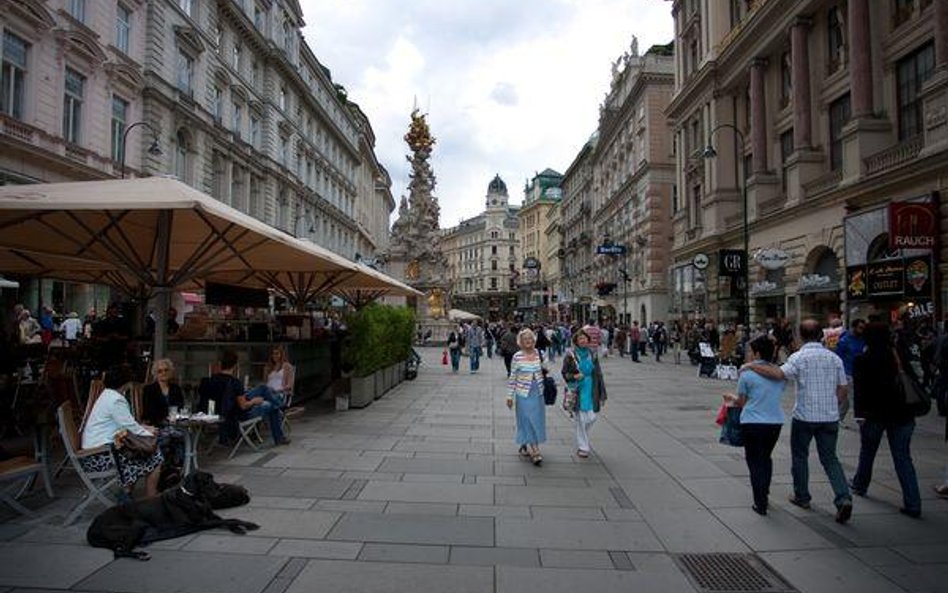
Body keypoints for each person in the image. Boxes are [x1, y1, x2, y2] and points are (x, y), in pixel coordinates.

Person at [742, 319, 853, 523]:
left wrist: (751, 365)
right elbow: (843, 389)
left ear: (799, 336)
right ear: (821, 335)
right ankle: (843, 498)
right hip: (829, 417)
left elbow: (777, 373)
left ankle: (802, 496)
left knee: (800, 456)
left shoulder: (799, 357)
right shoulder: (834, 358)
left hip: (805, 416)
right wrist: (833, 406)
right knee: (830, 459)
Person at [850, 322, 922, 518]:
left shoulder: (863, 359)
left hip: (875, 414)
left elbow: (859, 391)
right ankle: (913, 502)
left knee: (867, 452)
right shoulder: (898, 356)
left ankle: (860, 484)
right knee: (903, 458)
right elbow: (914, 377)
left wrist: (859, 414)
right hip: (903, 414)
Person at [724, 336, 786, 515]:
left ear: (757, 353)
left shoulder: (747, 374)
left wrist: (730, 398)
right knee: (766, 458)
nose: (748, 354)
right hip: (775, 421)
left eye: (750, 351)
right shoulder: (779, 373)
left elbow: (742, 402)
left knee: (754, 461)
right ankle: (764, 491)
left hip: (752, 421)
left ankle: (760, 502)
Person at [81, 366, 163, 499]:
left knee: (138, 451)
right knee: (155, 456)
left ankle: (127, 492)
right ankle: (151, 497)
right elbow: (130, 426)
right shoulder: (116, 400)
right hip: (99, 456)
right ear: (127, 383)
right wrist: (149, 432)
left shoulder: (107, 395)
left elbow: (124, 423)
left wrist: (142, 428)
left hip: (96, 451)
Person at [214, 350, 289, 446]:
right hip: (239, 416)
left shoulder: (211, 380)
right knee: (272, 406)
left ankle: (279, 405)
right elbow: (243, 406)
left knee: (263, 388)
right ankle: (279, 436)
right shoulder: (235, 383)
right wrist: (254, 401)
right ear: (235, 365)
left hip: (219, 413)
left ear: (220, 364)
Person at [561, 329, 607, 459]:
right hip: (578, 389)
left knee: (592, 418)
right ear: (576, 341)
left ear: (588, 340)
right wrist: (575, 376)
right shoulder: (571, 355)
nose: (583, 341)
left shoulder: (592, 354)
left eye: (584, 338)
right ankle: (583, 447)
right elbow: (564, 373)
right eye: (580, 339)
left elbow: (598, 374)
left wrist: (603, 393)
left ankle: (581, 435)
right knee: (581, 419)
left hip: (591, 388)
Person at [507, 328, 547, 465]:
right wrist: (509, 396)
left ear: (534, 340)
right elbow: (513, 377)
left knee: (535, 420)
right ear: (520, 342)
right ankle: (535, 450)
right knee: (527, 420)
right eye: (525, 339)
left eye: (530, 339)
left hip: (538, 393)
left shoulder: (540, 354)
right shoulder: (517, 356)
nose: (528, 341)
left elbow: (545, 370)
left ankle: (525, 442)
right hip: (523, 393)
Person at [141, 359, 187, 471]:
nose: (163, 373)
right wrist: (166, 418)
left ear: (170, 372)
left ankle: (179, 467)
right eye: (160, 371)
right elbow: (149, 412)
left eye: (166, 370)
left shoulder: (176, 389)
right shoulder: (149, 390)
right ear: (155, 374)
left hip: (175, 424)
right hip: (156, 425)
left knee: (183, 435)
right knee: (172, 436)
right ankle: (168, 467)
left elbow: (180, 407)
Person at [834, 318, 866, 425]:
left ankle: (839, 417)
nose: (862, 330)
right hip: (847, 371)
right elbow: (838, 356)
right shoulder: (844, 340)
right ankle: (858, 417)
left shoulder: (863, 339)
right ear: (854, 327)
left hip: (860, 372)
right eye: (860, 328)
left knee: (850, 397)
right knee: (850, 397)